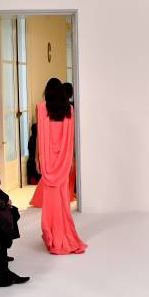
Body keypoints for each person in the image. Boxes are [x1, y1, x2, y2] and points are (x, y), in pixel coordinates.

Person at [34, 78, 86, 255]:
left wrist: (37, 159)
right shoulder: (69, 110)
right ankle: (62, 233)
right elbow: (69, 138)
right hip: (62, 162)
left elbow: (40, 137)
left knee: (50, 202)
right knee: (63, 201)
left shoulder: (41, 109)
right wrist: (70, 159)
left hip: (48, 161)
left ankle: (51, 235)